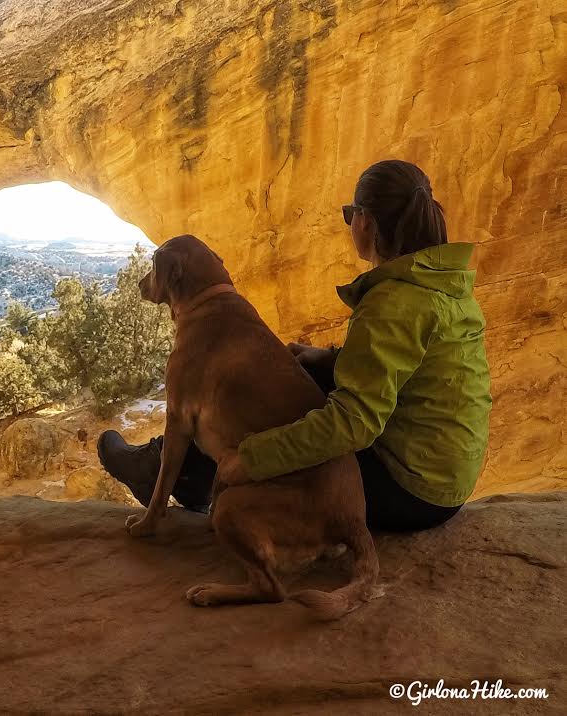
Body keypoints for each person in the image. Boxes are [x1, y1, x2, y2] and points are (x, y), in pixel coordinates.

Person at [98, 160, 492, 532]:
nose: (349, 224)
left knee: (242, 393)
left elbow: (353, 424)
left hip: (409, 490)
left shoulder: (392, 303)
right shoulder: (441, 281)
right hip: (445, 477)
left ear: (365, 221)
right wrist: (325, 359)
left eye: (348, 214)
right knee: (289, 376)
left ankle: (166, 475)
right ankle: (180, 472)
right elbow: (407, 366)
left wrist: (253, 458)